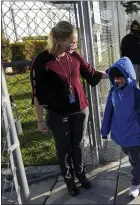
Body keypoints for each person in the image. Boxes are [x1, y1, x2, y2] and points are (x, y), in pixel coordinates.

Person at [30, 21, 108, 196]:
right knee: (63, 148)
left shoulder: (74, 56)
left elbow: (91, 74)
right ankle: (69, 180)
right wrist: (40, 119)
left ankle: (80, 174)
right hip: (58, 113)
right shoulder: (42, 61)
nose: (75, 44)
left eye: (76, 41)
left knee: (78, 145)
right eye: (72, 41)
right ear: (60, 39)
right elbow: (36, 94)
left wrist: (114, 74)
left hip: (80, 109)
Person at [101, 57, 140, 198]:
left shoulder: (138, 95)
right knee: (127, 153)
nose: (118, 81)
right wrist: (104, 130)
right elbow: (108, 112)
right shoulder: (113, 92)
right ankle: (132, 163)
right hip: (120, 134)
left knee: (135, 159)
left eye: (121, 77)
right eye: (115, 78)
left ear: (128, 76)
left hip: (134, 135)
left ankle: (135, 183)